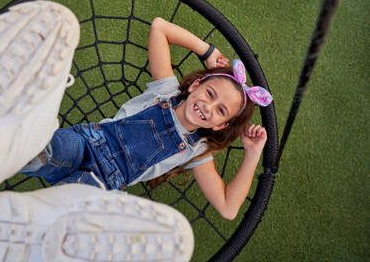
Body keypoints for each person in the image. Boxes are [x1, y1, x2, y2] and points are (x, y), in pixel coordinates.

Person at [19, 16, 272, 221]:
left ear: (220, 125)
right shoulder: (166, 90)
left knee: (60, 214)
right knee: (45, 150)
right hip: (87, 144)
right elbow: (160, 27)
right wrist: (206, 50)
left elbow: (228, 208)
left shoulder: (198, 151)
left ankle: (26, 221)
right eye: (210, 93)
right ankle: (6, 151)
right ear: (195, 85)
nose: (209, 107)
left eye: (220, 111)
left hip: (100, 183)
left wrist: (252, 154)